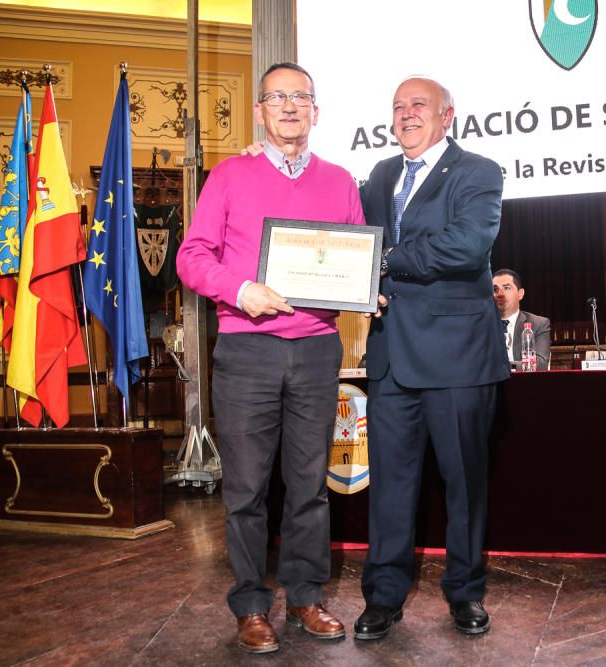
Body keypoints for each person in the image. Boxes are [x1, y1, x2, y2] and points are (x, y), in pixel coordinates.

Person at [176, 62, 364, 654]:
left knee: (309, 486)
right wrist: (240, 290)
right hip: (248, 348)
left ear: (316, 110)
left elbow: (357, 256)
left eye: (300, 97)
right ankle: (252, 605)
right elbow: (191, 256)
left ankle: (306, 598)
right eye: (276, 97)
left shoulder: (340, 180)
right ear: (259, 110)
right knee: (247, 489)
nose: (289, 107)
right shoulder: (230, 175)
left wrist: (368, 285)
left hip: (315, 350)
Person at [353, 76, 509, 641]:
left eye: (418, 105)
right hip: (391, 359)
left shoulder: (478, 171)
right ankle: (383, 597)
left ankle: (465, 593)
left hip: (459, 358)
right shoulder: (378, 177)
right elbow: (352, 242)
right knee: (390, 487)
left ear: (447, 116)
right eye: (397, 107)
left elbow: (466, 245)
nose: (406, 114)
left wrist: (387, 262)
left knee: (465, 484)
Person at [493, 268, 551, 370]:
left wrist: (504, 367)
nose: (500, 294)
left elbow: (541, 365)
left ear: (520, 294)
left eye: (507, 288)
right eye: (495, 289)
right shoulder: (480, 325)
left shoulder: (538, 324)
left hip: (523, 383)